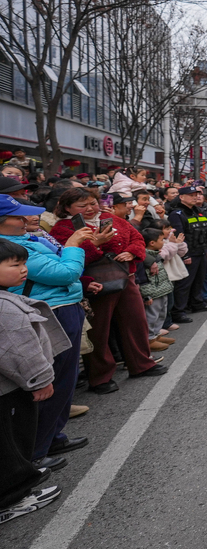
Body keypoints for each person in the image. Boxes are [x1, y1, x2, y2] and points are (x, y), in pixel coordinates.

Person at [0, 195, 92, 467]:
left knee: (65, 379)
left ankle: (52, 436)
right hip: (50, 310)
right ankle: (36, 450)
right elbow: (65, 273)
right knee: (49, 382)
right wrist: (74, 245)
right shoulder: (12, 247)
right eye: (19, 217)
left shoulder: (29, 239)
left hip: (63, 306)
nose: (27, 220)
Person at [51, 188, 168, 394]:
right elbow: (67, 257)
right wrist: (95, 245)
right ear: (67, 208)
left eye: (92, 203)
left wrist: (131, 253)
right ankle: (100, 377)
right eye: (82, 205)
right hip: (95, 283)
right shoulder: (63, 228)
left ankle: (141, 364)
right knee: (98, 331)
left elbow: (136, 238)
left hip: (125, 278)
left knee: (135, 322)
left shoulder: (109, 217)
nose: (89, 208)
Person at [0, 238, 66, 524]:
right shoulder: (4, 308)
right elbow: (19, 351)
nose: (23, 270)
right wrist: (40, 380)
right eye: (15, 265)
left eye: (24, 263)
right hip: (10, 390)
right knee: (12, 439)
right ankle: (13, 496)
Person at [167, 185, 207, 320]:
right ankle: (179, 312)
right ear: (181, 197)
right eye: (191, 195)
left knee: (199, 281)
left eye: (196, 195)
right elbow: (179, 236)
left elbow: (205, 232)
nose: (195, 197)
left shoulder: (198, 211)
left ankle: (197, 303)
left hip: (200, 251)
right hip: (188, 253)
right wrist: (185, 255)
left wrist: (206, 249)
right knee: (184, 284)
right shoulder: (177, 214)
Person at [139, 228, 175, 352]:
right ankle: (149, 339)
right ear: (152, 243)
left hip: (161, 289)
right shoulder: (143, 258)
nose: (163, 242)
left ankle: (156, 335)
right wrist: (146, 295)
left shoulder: (154, 255)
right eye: (161, 240)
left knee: (161, 314)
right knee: (151, 316)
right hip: (152, 292)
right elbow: (143, 279)